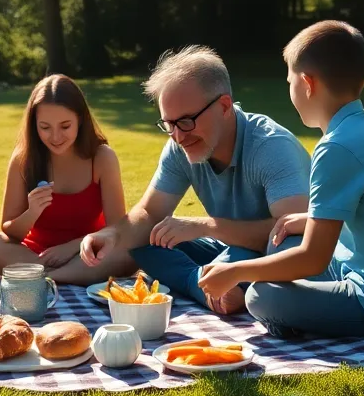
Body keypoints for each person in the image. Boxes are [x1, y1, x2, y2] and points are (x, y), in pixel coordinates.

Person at [198, 21, 364, 337]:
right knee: (284, 236)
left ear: (307, 83)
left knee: (260, 296)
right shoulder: (362, 127)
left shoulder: (337, 147)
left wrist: (236, 271)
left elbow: (314, 259)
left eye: (289, 82)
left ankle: (293, 322)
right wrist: (307, 219)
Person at [80, 45, 311, 314]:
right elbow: (149, 212)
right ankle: (209, 286)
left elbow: (292, 236)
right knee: (147, 240)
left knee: (244, 256)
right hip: (228, 249)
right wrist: (112, 235)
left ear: (224, 106)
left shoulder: (271, 147)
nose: (178, 136)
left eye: (187, 121)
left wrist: (207, 226)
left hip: (273, 258)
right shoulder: (180, 145)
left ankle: (211, 282)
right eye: (168, 124)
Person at [0, 75, 133, 284]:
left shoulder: (102, 157)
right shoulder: (24, 159)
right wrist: (32, 212)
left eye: (65, 126)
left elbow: (116, 230)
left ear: (80, 119)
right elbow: (10, 233)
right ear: (34, 126)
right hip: (37, 254)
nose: (56, 137)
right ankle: (61, 275)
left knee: (129, 251)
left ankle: (45, 277)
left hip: (87, 251)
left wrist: (73, 247)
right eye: (45, 127)